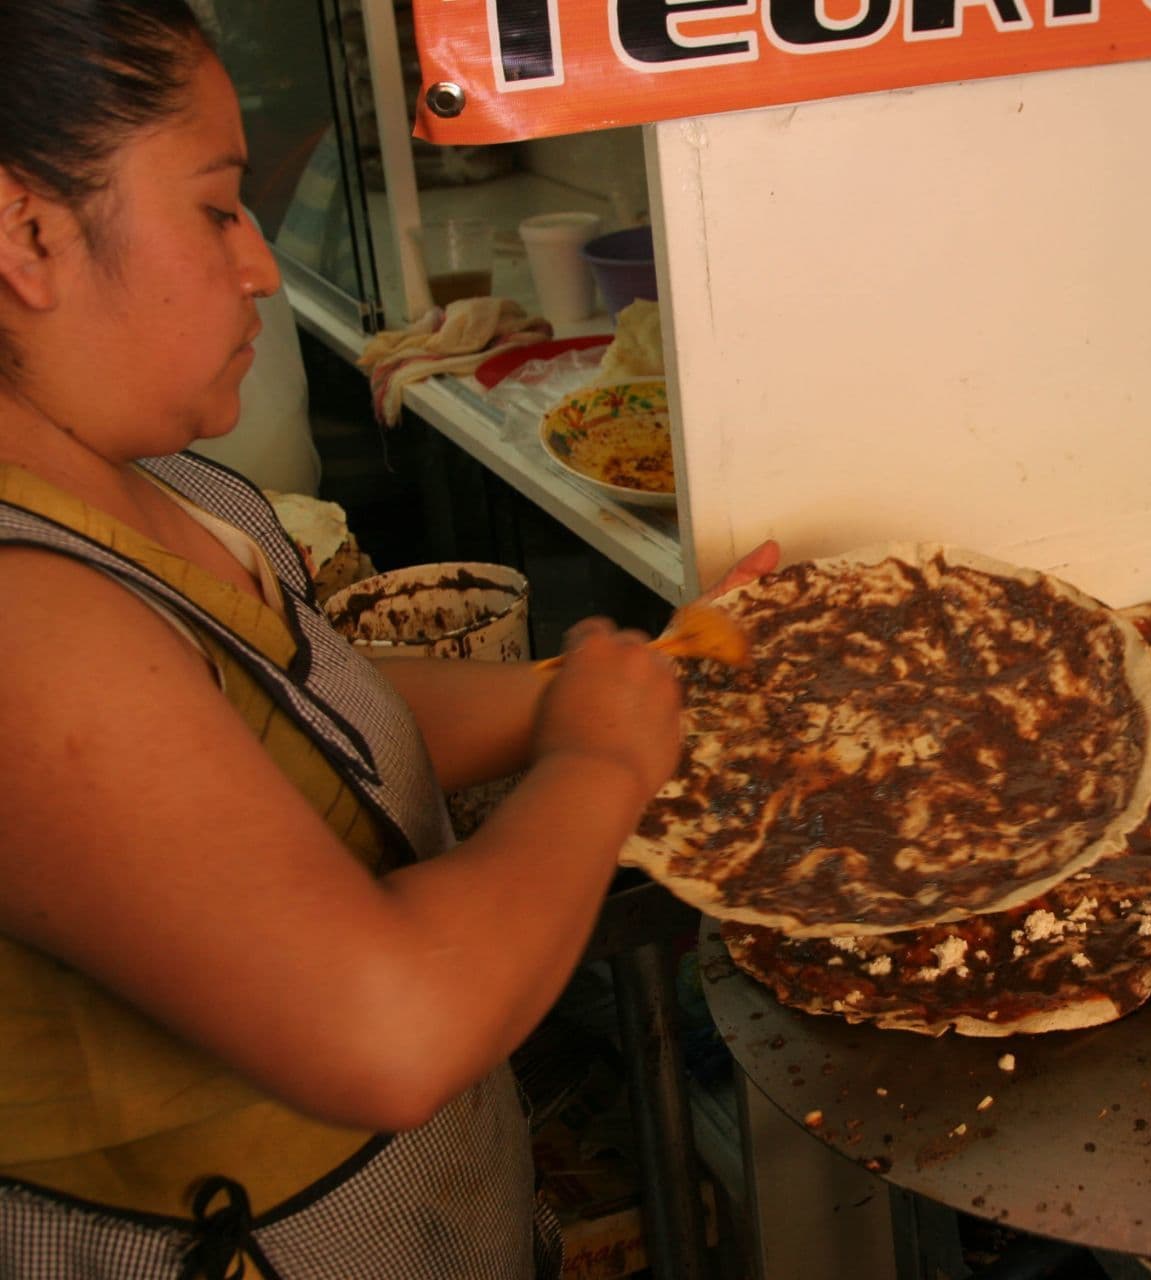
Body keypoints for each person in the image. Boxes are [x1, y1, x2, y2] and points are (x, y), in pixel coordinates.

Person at [0, 3, 777, 1275]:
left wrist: (611, 686)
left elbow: (313, 708)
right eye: (217, 208)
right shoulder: (25, 629)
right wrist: (598, 763)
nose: (259, 266)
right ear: (27, 233)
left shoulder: (136, 481)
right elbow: (389, 1030)